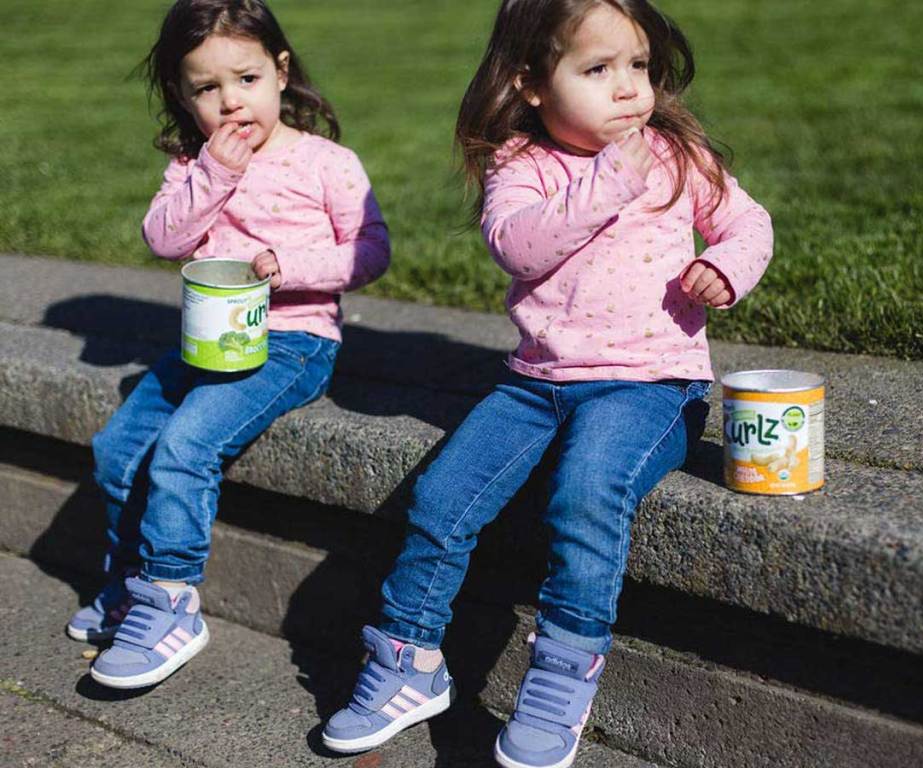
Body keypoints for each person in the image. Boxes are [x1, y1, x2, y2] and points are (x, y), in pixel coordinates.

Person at [322, 0, 771, 765]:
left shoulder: (673, 153)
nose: (629, 87)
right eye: (598, 70)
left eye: (639, 66)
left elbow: (747, 223)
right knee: (440, 500)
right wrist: (605, 180)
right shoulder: (521, 165)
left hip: (651, 385)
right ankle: (408, 663)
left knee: (586, 493)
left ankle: (563, 676)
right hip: (537, 384)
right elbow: (519, 248)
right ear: (531, 83)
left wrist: (726, 268)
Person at [67, 0, 390, 690]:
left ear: (280, 72)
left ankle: (172, 598)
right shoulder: (194, 165)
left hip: (293, 340)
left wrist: (292, 265)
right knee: (118, 449)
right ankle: (131, 584)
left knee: (186, 446)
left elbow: (371, 252)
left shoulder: (325, 162)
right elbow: (164, 239)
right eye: (206, 89)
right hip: (203, 343)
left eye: (244, 79)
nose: (230, 102)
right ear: (183, 97)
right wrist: (213, 174)